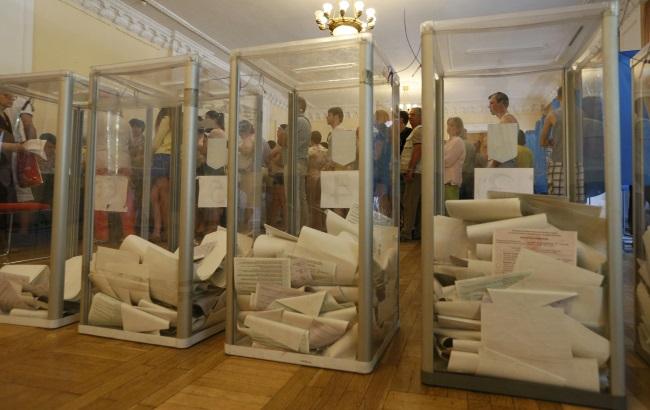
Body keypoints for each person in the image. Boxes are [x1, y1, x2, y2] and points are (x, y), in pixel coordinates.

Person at [150, 108, 173, 242]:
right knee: (159, 195)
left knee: (160, 196)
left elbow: (156, 143)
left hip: (161, 157)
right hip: (172, 159)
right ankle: (160, 230)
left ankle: (162, 230)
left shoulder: (166, 119)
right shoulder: (181, 121)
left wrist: (147, 151)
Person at [400, 107, 422, 241]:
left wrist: (410, 169)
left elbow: (418, 150)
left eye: (413, 115)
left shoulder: (419, 130)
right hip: (415, 172)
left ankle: (406, 233)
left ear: (421, 117)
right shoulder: (416, 130)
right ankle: (417, 232)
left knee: (410, 203)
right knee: (414, 203)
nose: (410, 117)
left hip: (415, 173)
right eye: (409, 114)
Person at [0, 92, 26, 205]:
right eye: (6, 95)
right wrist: (15, 147)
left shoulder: (5, 115)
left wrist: (22, 145)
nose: (11, 98)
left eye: (13, 96)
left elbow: (5, 138)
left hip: (5, 165)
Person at [540, 87, 565, 195]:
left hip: (558, 160)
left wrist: (553, 142)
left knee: (557, 197)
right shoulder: (581, 112)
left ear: (558, 97)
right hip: (578, 162)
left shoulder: (553, 115)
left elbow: (542, 142)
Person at [488, 91, 518, 168]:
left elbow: (504, 149)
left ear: (501, 103)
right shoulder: (506, 119)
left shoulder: (507, 119)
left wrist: (492, 165)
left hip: (504, 165)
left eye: (491, 103)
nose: (488, 106)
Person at [306, 130, 328, 231]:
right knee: (322, 202)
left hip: (312, 176)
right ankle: (323, 224)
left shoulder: (310, 151)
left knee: (312, 202)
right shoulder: (325, 150)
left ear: (311, 139)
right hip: (323, 177)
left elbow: (306, 164)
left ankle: (314, 225)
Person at [268, 124, 287, 229]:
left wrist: (273, 158)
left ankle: (286, 224)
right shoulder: (278, 145)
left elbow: (281, 162)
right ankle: (272, 224)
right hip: (276, 175)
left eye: (279, 130)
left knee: (282, 201)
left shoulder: (283, 146)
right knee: (276, 201)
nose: (277, 131)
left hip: (281, 175)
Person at [444, 117, 466, 201]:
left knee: (450, 207)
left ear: (458, 128)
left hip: (451, 182)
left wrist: (436, 161)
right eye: (448, 125)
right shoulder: (448, 142)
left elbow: (448, 161)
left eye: (452, 125)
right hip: (445, 181)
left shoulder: (457, 141)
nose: (449, 127)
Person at [459, 128, 477, 199]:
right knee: (468, 196)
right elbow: (474, 159)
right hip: (470, 173)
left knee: (460, 196)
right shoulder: (471, 145)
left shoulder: (458, 144)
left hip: (461, 173)